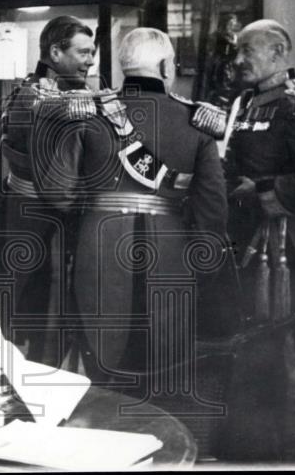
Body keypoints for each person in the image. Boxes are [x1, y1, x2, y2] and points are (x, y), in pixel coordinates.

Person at [67, 28, 229, 382]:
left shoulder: (90, 113)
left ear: (126, 68)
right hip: (170, 252)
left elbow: (65, 193)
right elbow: (212, 209)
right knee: (165, 366)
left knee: (102, 365)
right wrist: (207, 266)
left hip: (98, 247)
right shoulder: (196, 121)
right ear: (165, 66)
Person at [223, 19, 295, 460]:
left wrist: (263, 191)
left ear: (278, 52)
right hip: (245, 244)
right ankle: (248, 444)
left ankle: (280, 450)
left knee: (279, 350)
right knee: (252, 350)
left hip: (282, 248)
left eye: (246, 52)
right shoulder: (246, 104)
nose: (237, 61)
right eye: (237, 52)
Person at [0, 15, 96, 366]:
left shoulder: (38, 91)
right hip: (41, 216)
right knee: (43, 307)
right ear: (55, 52)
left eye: (92, 52)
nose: (90, 60)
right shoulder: (42, 98)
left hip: (38, 212)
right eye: (83, 52)